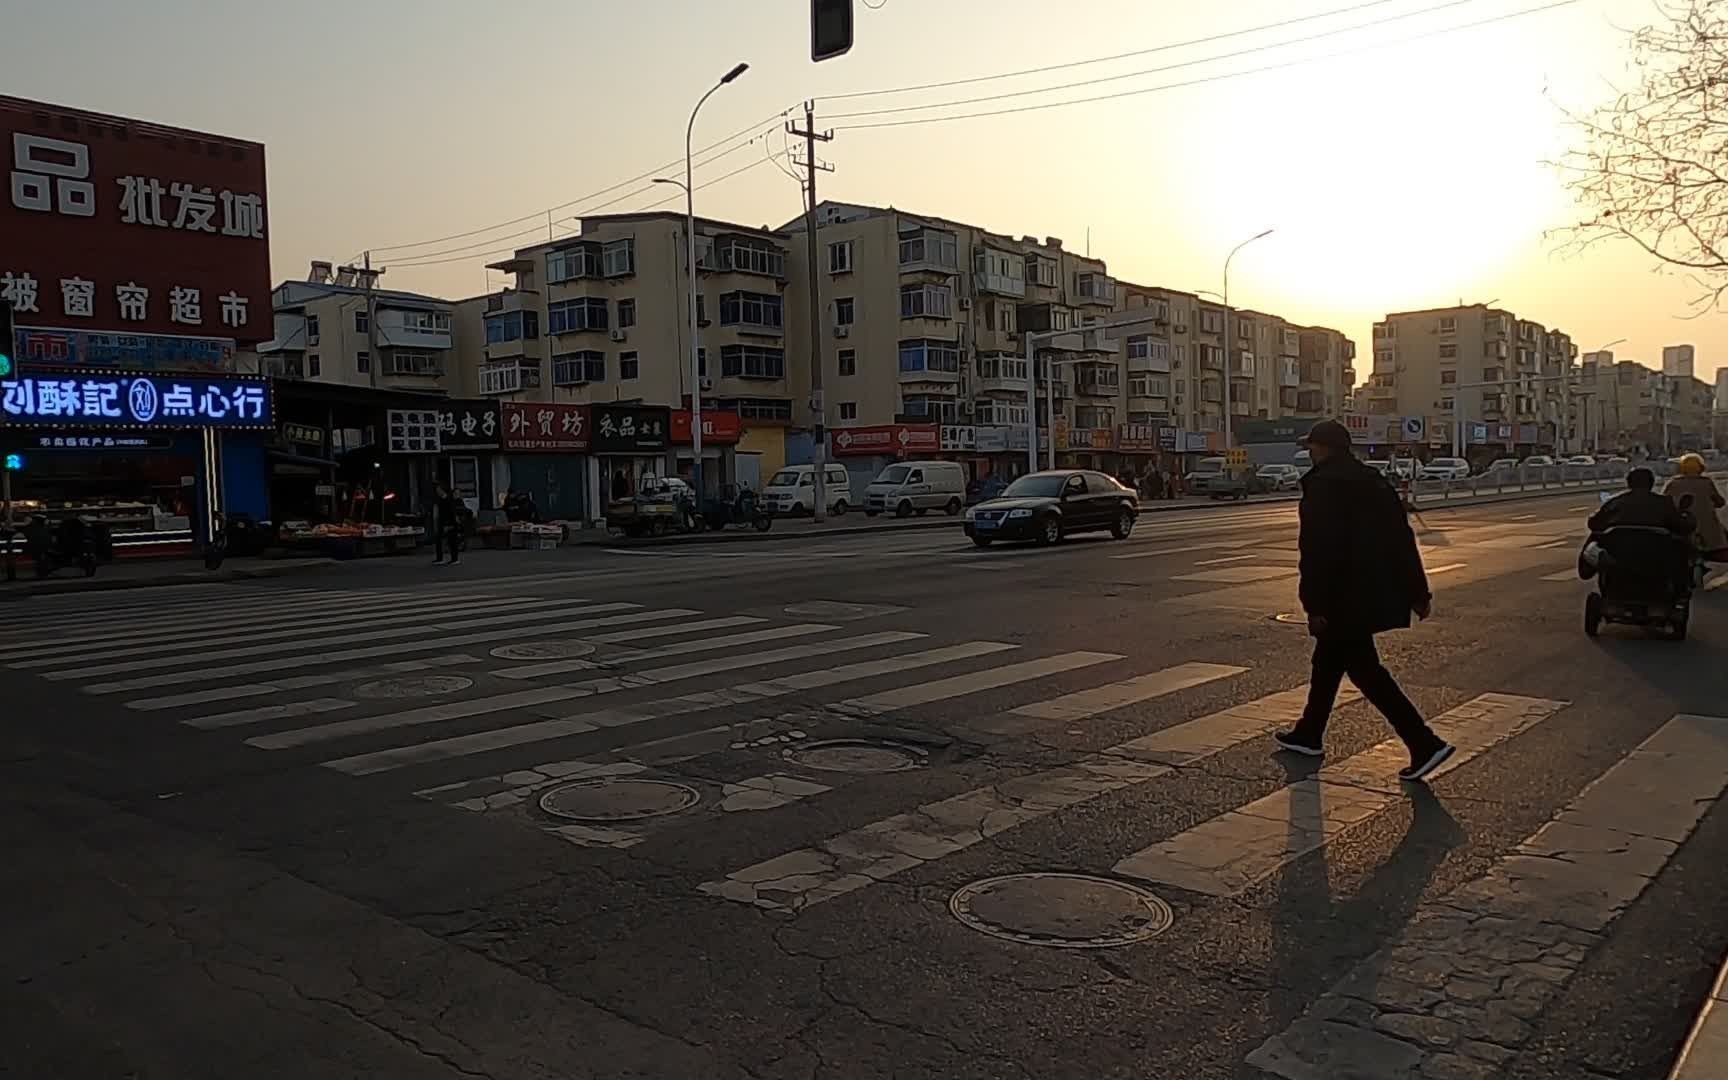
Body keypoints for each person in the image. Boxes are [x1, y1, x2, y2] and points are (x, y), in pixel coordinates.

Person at [1276, 419, 1454, 782]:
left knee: (1366, 672)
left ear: (1324, 448)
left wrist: (1314, 605)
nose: (1309, 452)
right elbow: (1402, 540)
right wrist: (1418, 591)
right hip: (1374, 591)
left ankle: (1424, 742)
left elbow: (1318, 552)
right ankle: (1309, 733)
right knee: (1328, 663)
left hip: (1342, 597)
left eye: (1312, 446)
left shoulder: (1324, 486)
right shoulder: (1374, 482)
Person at [1663, 454, 1726, 560]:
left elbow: (1664, 502)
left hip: (1681, 527)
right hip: (1706, 530)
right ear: (1701, 468)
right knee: (1721, 539)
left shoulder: (1673, 483)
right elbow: (1720, 502)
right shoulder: (1706, 482)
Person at [431, 483, 463, 566]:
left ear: (443, 490)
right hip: (442, 522)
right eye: (437, 490)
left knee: (452, 541)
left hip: (450, 522)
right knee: (438, 540)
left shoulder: (448, 499)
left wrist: (449, 524)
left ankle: (454, 559)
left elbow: (451, 513)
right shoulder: (440, 499)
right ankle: (439, 558)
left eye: (439, 490)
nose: (437, 491)